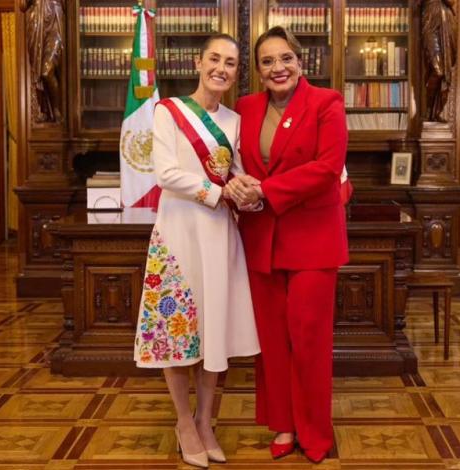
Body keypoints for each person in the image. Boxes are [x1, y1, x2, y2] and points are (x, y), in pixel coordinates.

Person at [133, 34, 260, 469]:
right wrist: (219, 190)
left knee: (213, 330)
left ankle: (207, 421)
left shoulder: (236, 121)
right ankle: (184, 421)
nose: (221, 68)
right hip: (179, 232)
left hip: (220, 233)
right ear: (198, 62)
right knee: (178, 331)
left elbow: (240, 173)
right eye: (214, 59)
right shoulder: (167, 111)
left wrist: (248, 194)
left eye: (230, 62)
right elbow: (166, 174)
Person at [226, 26, 349, 464]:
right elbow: (232, 163)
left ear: (301, 62)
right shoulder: (245, 107)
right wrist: (237, 186)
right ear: (257, 71)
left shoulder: (326, 102)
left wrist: (265, 191)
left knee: (309, 339)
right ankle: (282, 424)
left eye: (285, 58)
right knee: (273, 342)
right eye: (267, 61)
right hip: (262, 240)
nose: (277, 68)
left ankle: (314, 431)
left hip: (313, 241)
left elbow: (328, 167)